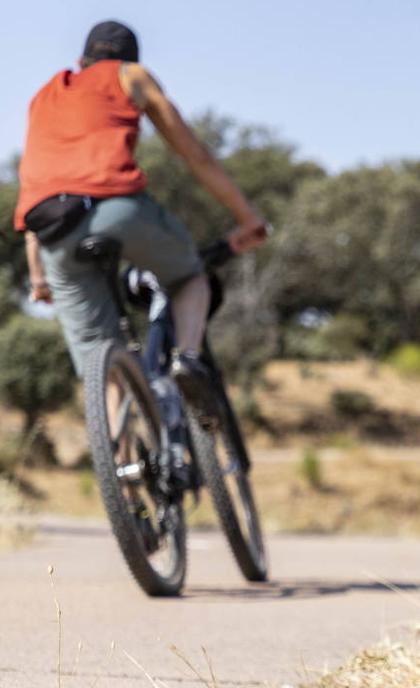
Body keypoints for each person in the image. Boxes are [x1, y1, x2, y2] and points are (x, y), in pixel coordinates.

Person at [13, 20, 268, 414]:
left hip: (51, 229)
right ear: (132, 60)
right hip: (114, 207)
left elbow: (33, 179)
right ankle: (187, 359)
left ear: (81, 60)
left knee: (107, 367)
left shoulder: (43, 97)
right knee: (190, 276)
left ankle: (121, 465)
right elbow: (193, 153)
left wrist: (38, 277)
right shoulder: (130, 74)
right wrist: (246, 216)